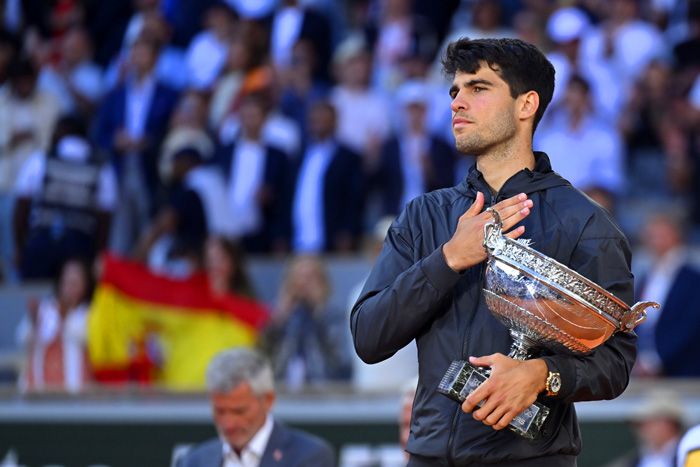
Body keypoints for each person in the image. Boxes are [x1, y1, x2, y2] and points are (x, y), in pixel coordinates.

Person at [350, 37, 637, 466]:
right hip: (429, 454)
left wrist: (543, 374)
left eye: (478, 88)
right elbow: (369, 337)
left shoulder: (586, 224)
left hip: (531, 458)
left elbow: (616, 360)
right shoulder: (424, 215)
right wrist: (447, 259)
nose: (457, 102)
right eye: (454, 90)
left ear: (526, 105)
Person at [176, 347, 335, 467]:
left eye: (239, 411)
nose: (228, 423)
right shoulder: (193, 461)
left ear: (268, 400)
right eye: (220, 411)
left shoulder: (309, 456)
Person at [15, 257, 94, 393]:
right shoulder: (45, 309)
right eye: (67, 281)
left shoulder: (89, 313)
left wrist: (65, 318)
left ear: (84, 285)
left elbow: (87, 337)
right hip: (39, 392)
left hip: (75, 392)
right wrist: (33, 321)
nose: (70, 287)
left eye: (75, 282)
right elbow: (21, 338)